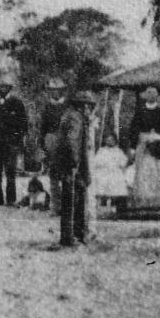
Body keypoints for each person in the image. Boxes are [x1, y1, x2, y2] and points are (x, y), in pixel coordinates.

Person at [51, 90, 97, 247]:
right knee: (73, 201)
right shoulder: (76, 119)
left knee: (71, 201)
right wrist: (75, 164)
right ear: (83, 105)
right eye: (89, 106)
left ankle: (72, 235)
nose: (90, 110)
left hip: (69, 165)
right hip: (73, 167)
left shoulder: (70, 115)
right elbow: (72, 143)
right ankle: (72, 236)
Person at [0, 81, 29, 207]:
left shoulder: (17, 103)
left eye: (5, 86)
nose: (2, 89)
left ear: (9, 88)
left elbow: (23, 124)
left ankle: (11, 200)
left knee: (10, 172)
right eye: (0, 86)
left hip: (10, 145)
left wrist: (17, 141)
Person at [90, 130, 131, 212]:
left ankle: (117, 207)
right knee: (102, 183)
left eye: (111, 140)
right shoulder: (102, 150)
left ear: (115, 141)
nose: (110, 142)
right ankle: (101, 206)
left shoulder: (118, 151)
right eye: (108, 140)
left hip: (115, 171)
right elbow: (96, 162)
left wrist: (121, 166)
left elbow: (123, 162)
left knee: (118, 183)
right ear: (105, 141)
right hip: (104, 171)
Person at [37, 77, 70, 170]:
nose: (56, 93)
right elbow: (43, 128)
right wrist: (41, 145)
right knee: (53, 169)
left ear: (62, 91)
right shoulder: (47, 107)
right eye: (53, 90)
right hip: (50, 139)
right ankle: (53, 183)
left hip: (65, 139)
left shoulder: (67, 106)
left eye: (58, 90)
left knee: (66, 169)